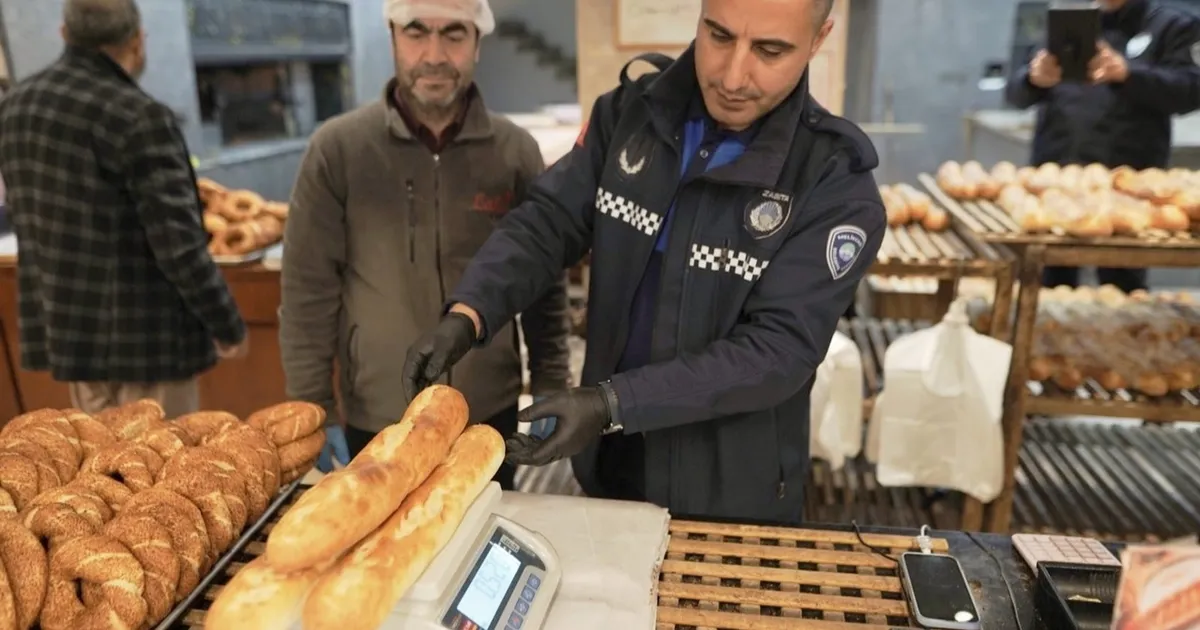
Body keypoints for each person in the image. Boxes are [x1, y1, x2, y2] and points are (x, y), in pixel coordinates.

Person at [402, 0, 885, 523]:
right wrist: (470, 312)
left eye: (770, 50)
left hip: (730, 497)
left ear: (819, 40)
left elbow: (777, 351)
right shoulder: (631, 115)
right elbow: (548, 221)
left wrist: (612, 404)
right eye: (719, 35)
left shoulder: (834, 182)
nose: (732, 74)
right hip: (611, 469)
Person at [279, 0, 571, 489]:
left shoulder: (515, 152)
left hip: (487, 414)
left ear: (478, 42)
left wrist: (550, 383)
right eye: (417, 32)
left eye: (454, 34)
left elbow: (544, 284)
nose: (434, 54)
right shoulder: (338, 150)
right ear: (392, 36)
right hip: (380, 416)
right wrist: (313, 408)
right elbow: (308, 291)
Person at [0, 0, 247, 417]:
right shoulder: (140, 116)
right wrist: (226, 326)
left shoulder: (17, 108)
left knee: (102, 470)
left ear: (65, 34)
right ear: (136, 41)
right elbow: (179, 244)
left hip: (72, 339)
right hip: (150, 348)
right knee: (169, 470)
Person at [1007, 0, 1200, 293]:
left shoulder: (1172, 23)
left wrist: (1130, 75)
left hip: (1130, 184)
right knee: (1046, 284)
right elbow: (1014, 94)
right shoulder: (1061, 20)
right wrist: (1033, 79)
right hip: (1057, 178)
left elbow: (1190, 91)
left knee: (1124, 287)